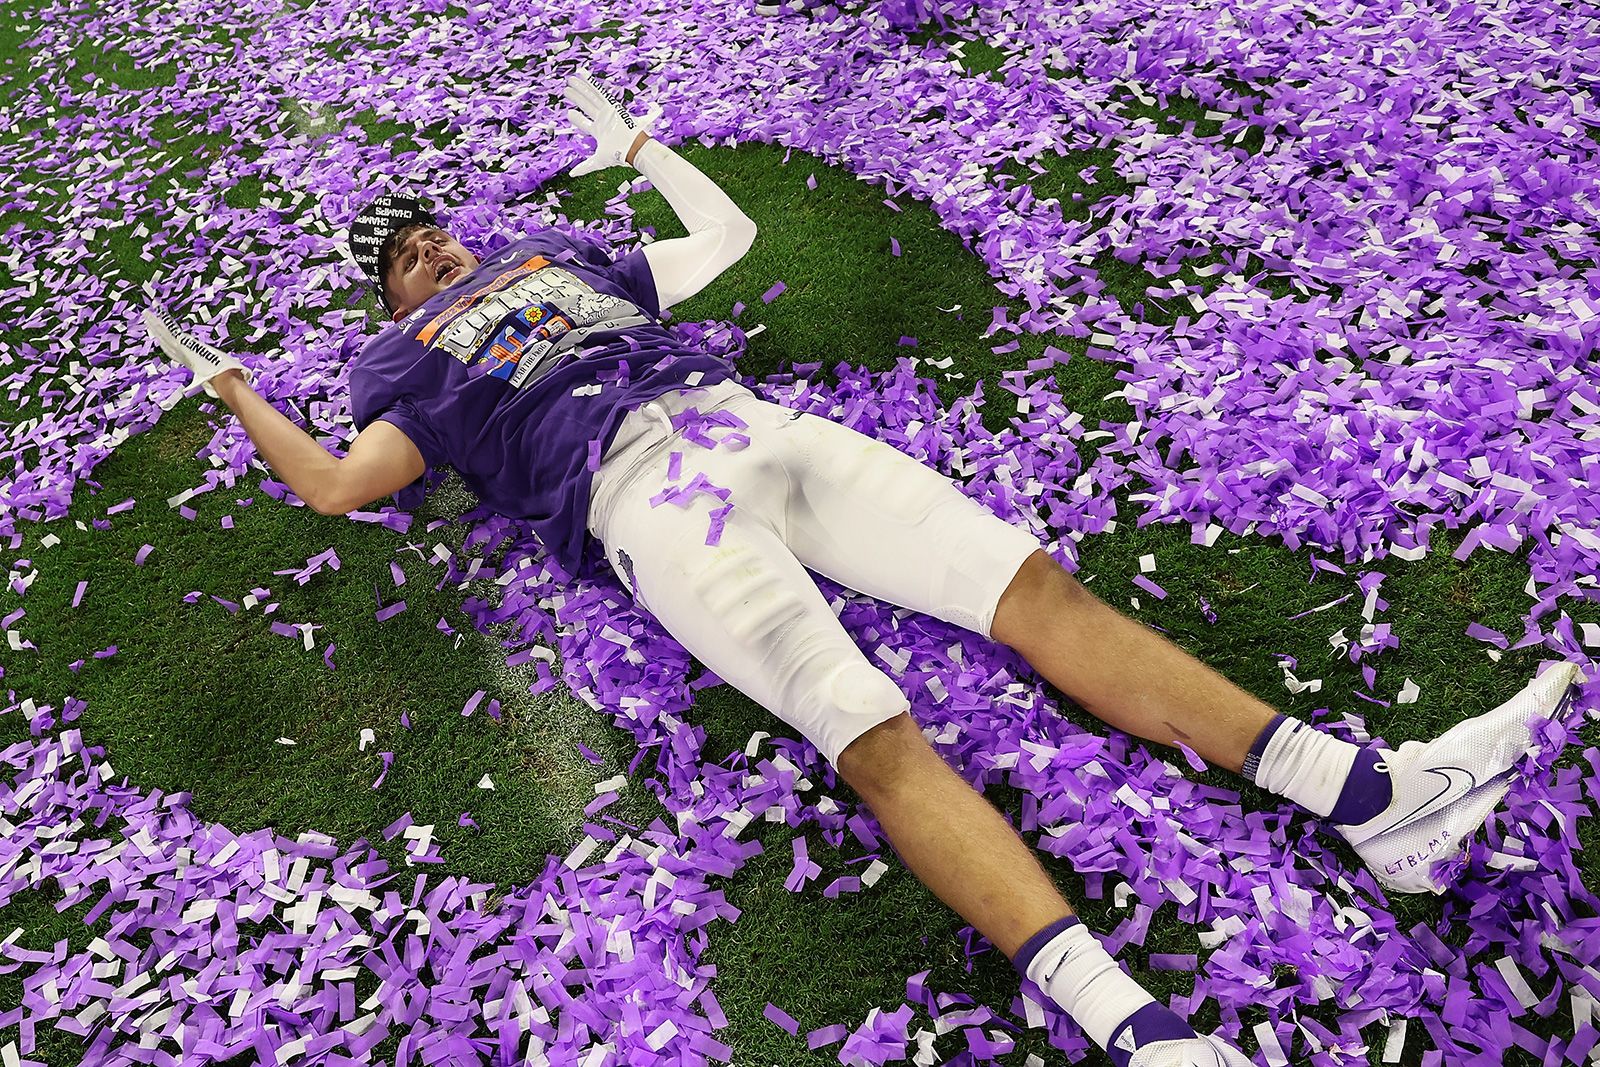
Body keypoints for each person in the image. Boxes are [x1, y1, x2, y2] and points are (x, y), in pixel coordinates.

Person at [142, 73, 1583, 1067]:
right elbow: (339, 486)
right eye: (404, 254)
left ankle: (1378, 799)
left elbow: (727, 239)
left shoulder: (558, 260)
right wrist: (236, 391)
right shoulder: (407, 366)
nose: (430, 246)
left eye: (434, 227)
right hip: (649, 511)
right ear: (389, 300)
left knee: (1037, 593)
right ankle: (1141, 1034)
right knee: (874, 736)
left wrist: (641, 150)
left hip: (747, 424)